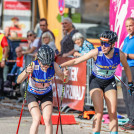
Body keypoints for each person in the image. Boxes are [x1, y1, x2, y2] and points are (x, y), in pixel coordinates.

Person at [60, 30, 134, 134]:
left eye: (106, 44)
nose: (103, 46)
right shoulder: (96, 52)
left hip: (109, 82)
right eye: (101, 43)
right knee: (98, 113)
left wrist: (130, 83)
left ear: (113, 44)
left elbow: (126, 67)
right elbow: (77, 60)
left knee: (112, 112)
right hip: (96, 82)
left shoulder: (119, 54)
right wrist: (60, 66)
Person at [17, 45, 69, 134]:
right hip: (32, 94)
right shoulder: (33, 65)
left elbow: (64, 80)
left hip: (46, 94)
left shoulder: (54, 66)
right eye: (44, 63)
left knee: (47, 119)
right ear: (39, 60)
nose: (46, 66)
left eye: (48, 64)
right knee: (37, 119)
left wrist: (65, 75)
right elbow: (18, 80)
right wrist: (26, 71)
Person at [120, 17, 134, 130]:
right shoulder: (127, 39)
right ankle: (130, 119)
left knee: (131, 96)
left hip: (132, 69)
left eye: (131, 25)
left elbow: (126, 54)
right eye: (127, 26)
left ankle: (133, 121)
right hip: (125, 69)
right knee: (125, 96)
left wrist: (127, 55)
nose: (129, 28)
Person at [0, 32, 8, 99]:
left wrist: (3, 60)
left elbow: (6, 48)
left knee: (0, 78)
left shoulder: (2, 36)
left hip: (0, 61)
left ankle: (1, 94)